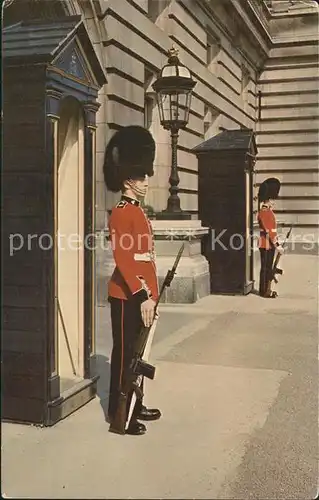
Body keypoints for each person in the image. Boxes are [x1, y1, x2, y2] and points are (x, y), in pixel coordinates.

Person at [103, 125, 161, 436]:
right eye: (142, 177)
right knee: (125, 355)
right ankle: (118, 414)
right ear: (128, 180)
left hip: (142, 294)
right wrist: (143, 296)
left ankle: (135, 405)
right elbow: (125, 261)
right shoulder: (121, 213)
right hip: (127, 296)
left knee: (139, 355)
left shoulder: (138, 212)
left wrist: (152, 293)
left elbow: (145, 257)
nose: (146, 181)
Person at [257, 177, 284, 298]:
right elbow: (269, 231)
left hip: (269, 243)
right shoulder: (265, 212)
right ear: (268, 199)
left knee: (268, 267)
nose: (274, 201)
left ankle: (266, 289)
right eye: (273, 199)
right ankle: (264, 291)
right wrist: (277, 246)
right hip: (266, 244)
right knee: (266, 268)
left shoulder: (268, 211)